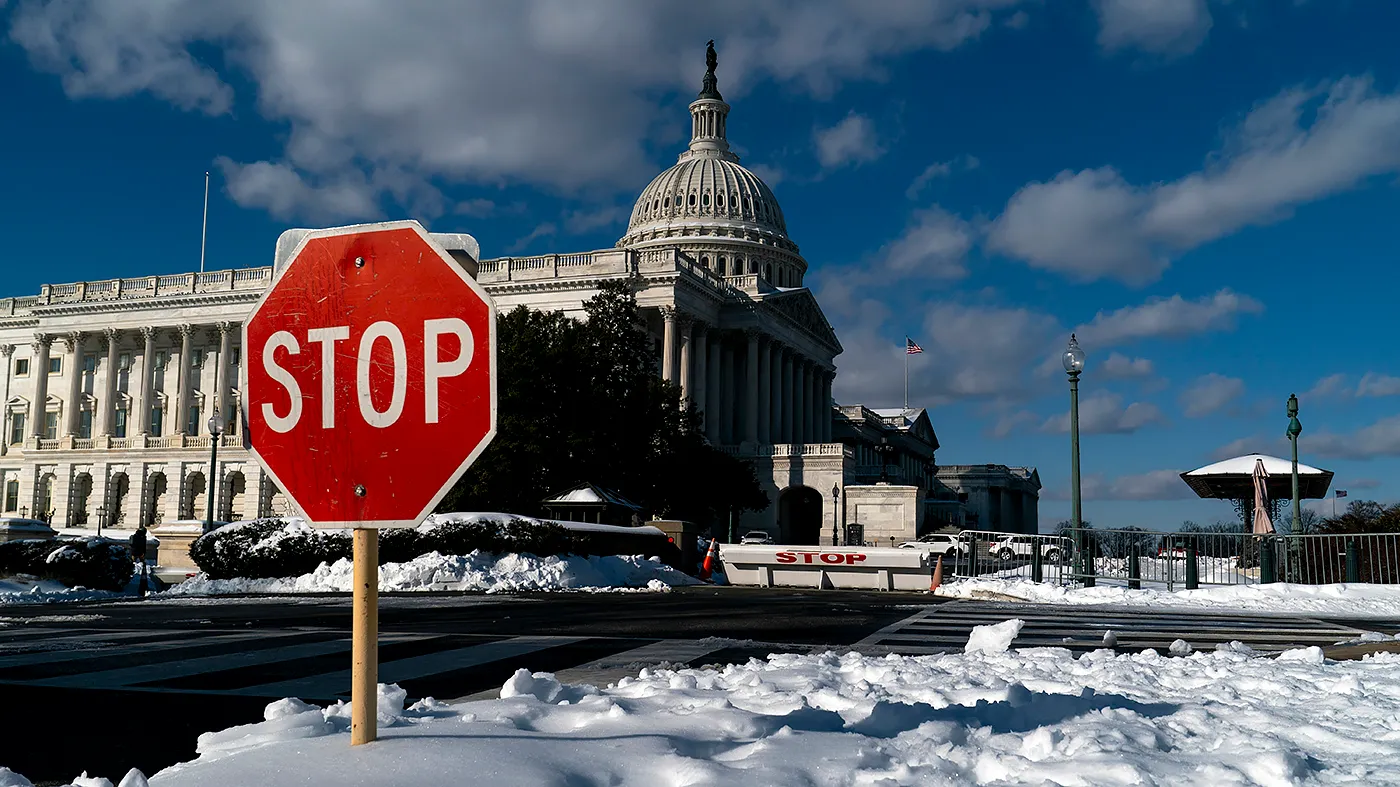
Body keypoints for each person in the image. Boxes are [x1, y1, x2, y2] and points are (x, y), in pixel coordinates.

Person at [129, 525, 149, 597]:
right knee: (134, 563)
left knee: (139, 563)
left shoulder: (141, 537)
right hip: (136, 552)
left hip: (138, 552)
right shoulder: (137, 537)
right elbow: (135, 545)